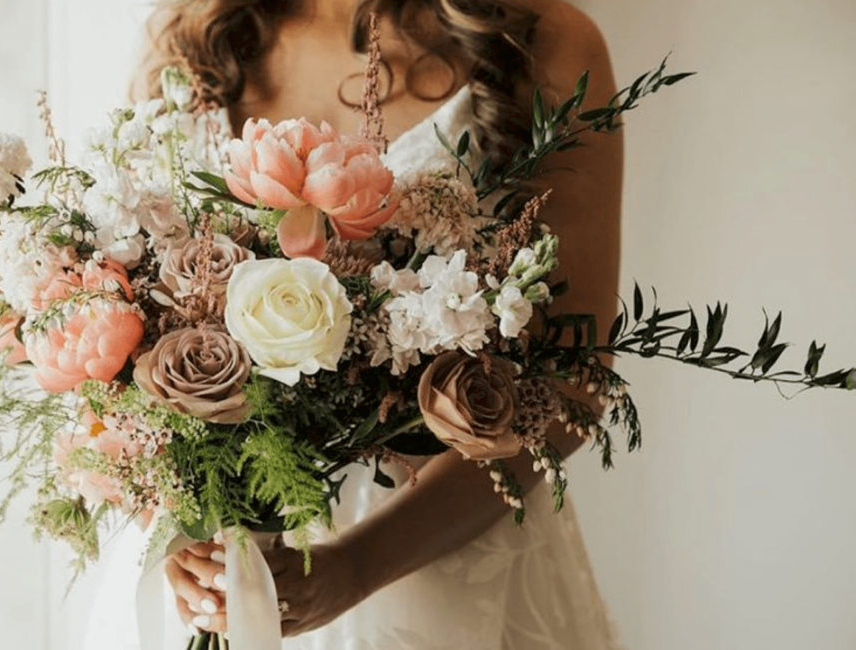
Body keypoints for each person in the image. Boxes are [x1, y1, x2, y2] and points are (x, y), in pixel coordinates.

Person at [139, 0, 624, 647]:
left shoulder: (544, 42)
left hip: (445, 570)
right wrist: (183, 533)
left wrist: (356, 566)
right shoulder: (185, 40)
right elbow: (131, 322)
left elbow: (572, 381)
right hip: (219, 577)